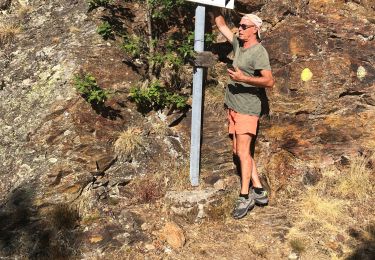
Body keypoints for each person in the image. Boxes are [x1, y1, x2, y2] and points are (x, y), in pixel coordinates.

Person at [213, 10, 275, 219]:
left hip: (248, 109)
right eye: (239, 26)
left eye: (243, 27)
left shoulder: (259, 52)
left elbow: (269, 81)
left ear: (255, 30)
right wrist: (214, 5)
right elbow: (221, 24)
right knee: (241, 151)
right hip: (233, 106)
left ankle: (244, 195)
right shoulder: (239, 44)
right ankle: (259, 189)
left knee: (242, 152)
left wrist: (243, 78)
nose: (239, 29)